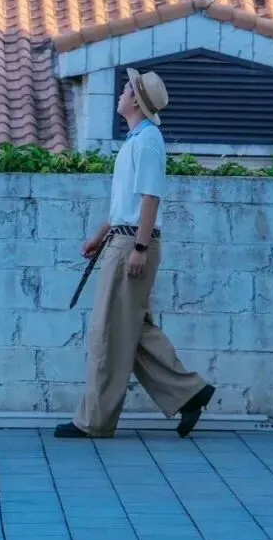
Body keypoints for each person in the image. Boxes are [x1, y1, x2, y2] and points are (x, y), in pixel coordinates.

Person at [55, 68, 216, 440]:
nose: (121, 92)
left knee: (109, 332)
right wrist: (100, 235)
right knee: (131, 329)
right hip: (122, 239)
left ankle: (94, 421)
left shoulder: (147, 142)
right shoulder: (136, 141)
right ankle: (190, 393)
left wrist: (140, 248)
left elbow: (150, 198)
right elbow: (124, 205)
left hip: (132, 243)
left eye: (127, 89)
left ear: (137, 102)